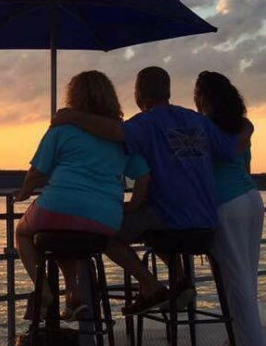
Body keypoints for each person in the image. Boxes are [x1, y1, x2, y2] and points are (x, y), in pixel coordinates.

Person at [53, 66, 252, 314]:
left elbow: (115, 132)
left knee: (105, 232)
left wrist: (72, 117)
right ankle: (180, 282)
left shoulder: (145, 124)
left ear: (138, 94)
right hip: (206, 224)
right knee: (148, 222)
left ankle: (150, 286)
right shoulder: (196, 120)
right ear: (168, 91)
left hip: (171, 220)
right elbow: (232, 148)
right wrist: (248, 126)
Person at [14, 70, 150, 320]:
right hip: (104, 218)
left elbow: (37, 174)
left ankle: (44, 290)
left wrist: (23, 192)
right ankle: (73, 294)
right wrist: (134, 204)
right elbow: (142, 175)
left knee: (22, 233)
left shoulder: (61, 130)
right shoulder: (121, 136)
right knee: (71, 236)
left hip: (57, 208)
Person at [195, 71, 265, 346]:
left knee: (235, 282)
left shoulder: (203, 128)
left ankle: (250, 342)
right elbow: (246, 167)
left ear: (203, 97)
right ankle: (239, 336)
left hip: (226, 203)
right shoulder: (241, 127)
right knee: (247, 278)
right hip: (251, 198)